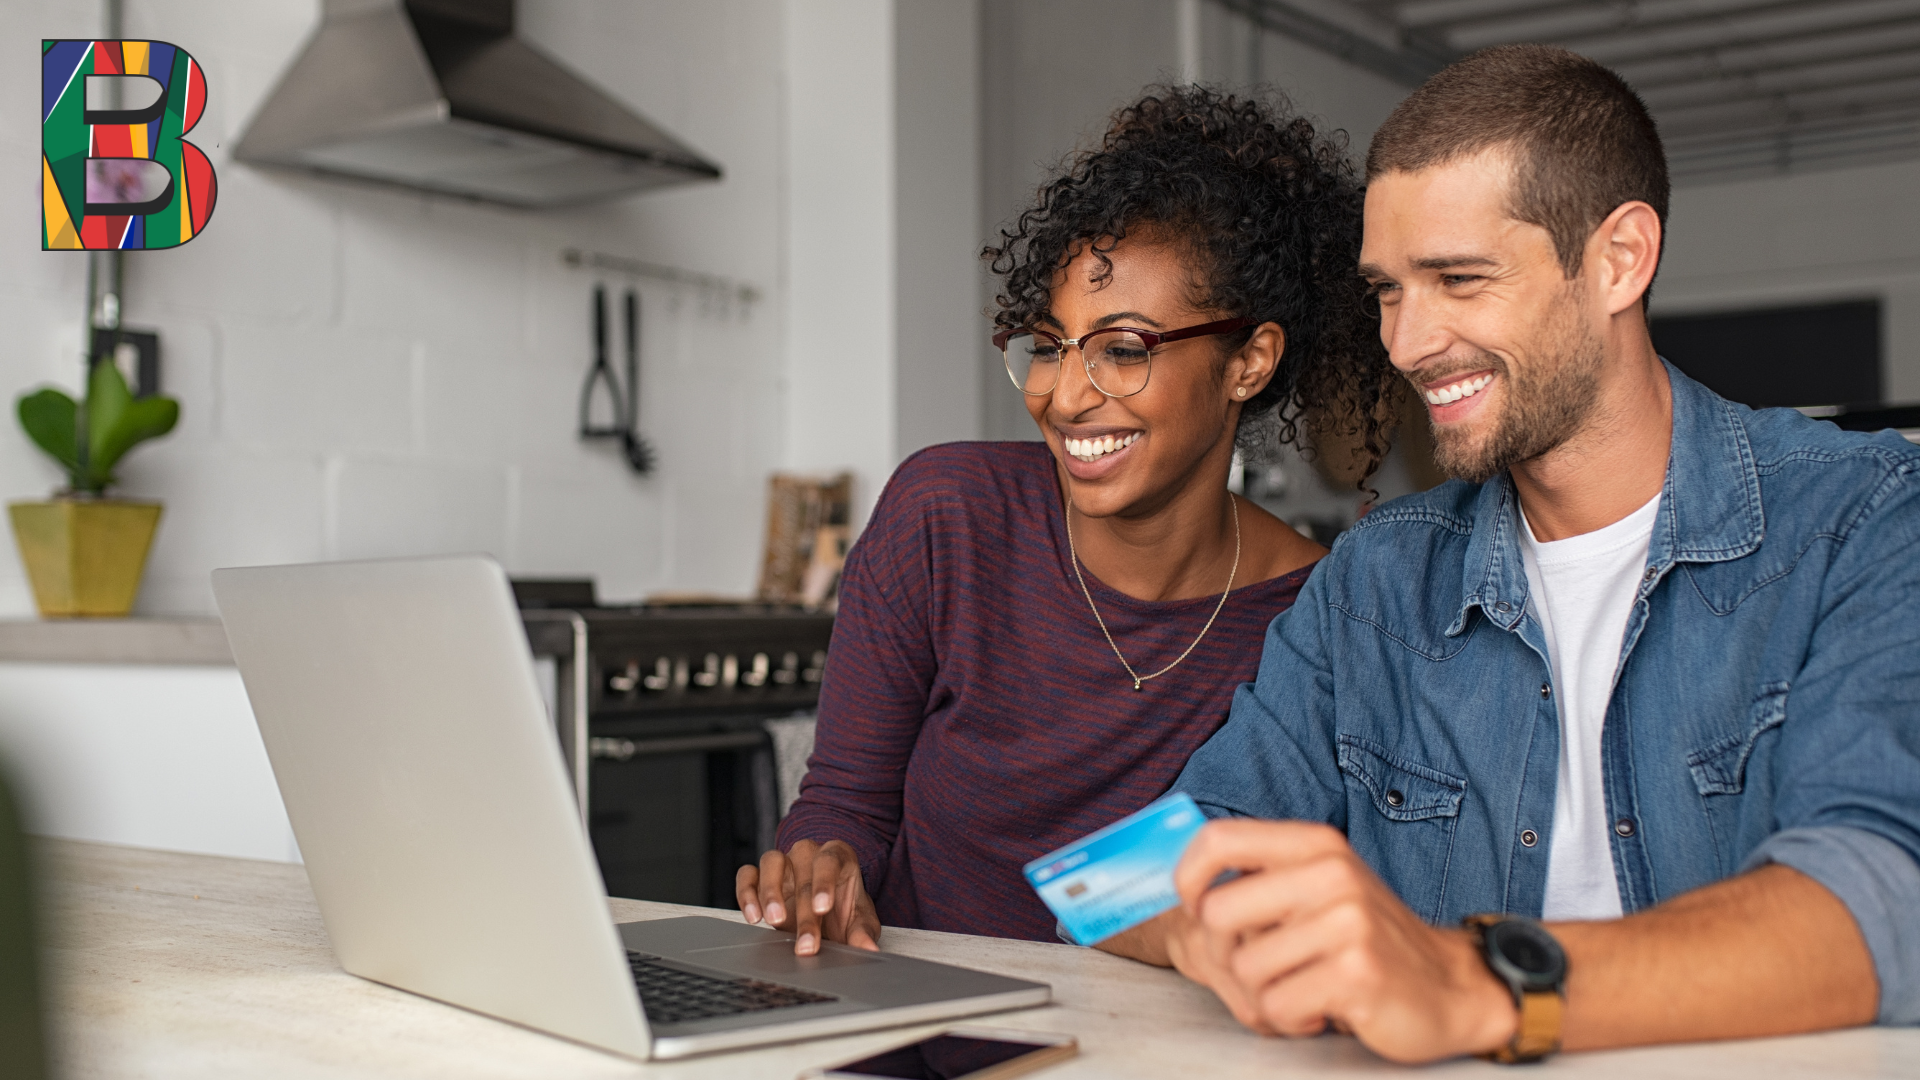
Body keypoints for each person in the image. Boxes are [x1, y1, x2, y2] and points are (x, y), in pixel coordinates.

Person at [1109, 45, 1920, 1062]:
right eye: (1388, 291)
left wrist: (1470, 979)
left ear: (1620, 258)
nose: (1405, 343)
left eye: (1457, 278)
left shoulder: (1867, 516)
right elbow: (1120, 880)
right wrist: (1222, 925)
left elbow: (1884, 899)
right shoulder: (1374, 580)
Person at [734, 87, 1395, 954]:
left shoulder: (1316, 618)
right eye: (1049, 345)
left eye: (1124, 350)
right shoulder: (946, 517)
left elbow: (1198, 888)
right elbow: (844, 803)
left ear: (1249, 362)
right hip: (894, 1040)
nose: (1066, 396)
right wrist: (818, 874)